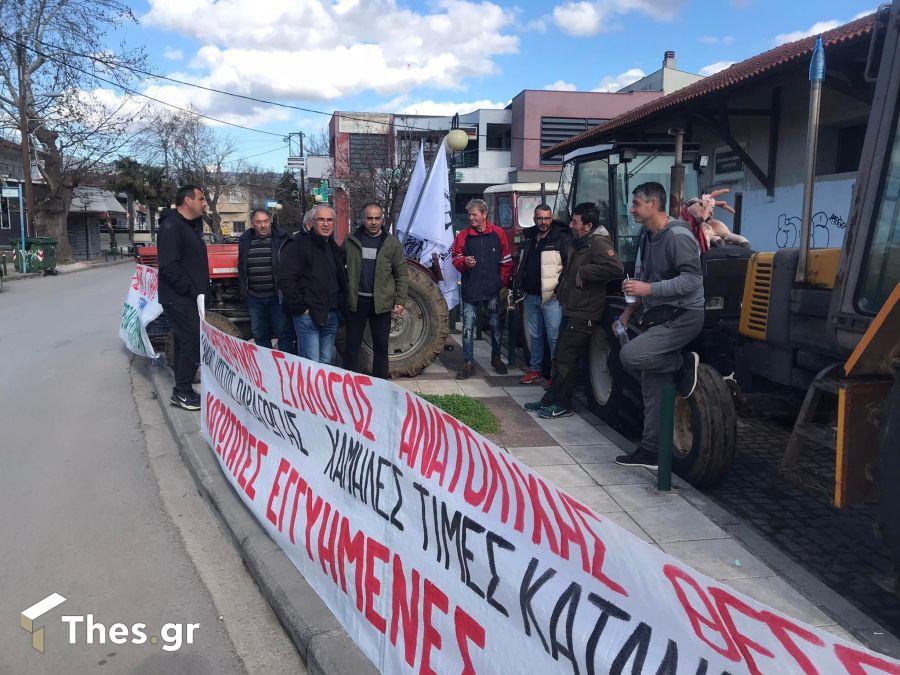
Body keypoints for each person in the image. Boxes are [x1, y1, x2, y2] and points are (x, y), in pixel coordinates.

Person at [615, 181, 703, 469]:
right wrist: (628, 313)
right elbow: (648, 279)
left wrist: (647, 290)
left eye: (636, 204)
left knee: (631, 355)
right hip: (660, 315)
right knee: (651, 383)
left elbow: (692, 281)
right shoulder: (648, 235)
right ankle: (652, 450)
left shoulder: (677, 236)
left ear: (653, 204)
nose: (632, 209)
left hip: (684, 316)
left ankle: (679, 363)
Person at [526, 202, 623, 418]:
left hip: (585, 311)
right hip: (571, 307)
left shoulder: (598, 243)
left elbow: (616, 267)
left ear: (587, 225)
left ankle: (563, 404)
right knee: (560, 356)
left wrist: (586, 271)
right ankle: (549, 400)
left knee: (566, 359)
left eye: (575, 221)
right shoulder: (581, 242)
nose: (571, 224)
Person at [158, 185, 210, 411]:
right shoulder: (172, 226)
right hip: (179, 298)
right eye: (201, 199)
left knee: (183, 342)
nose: (204, 203)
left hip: (189, 298)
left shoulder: (190, 226)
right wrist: (190, 290)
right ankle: (182, 391)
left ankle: (182, 390)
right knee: (191, 341)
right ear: (188, 201)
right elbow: (169, 265)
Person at [344, 202, 408, 379]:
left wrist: (400, 301)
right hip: (356, 302)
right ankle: (349, 381)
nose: (373, 222)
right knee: (351, 345)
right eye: (369, 218)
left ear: (382, 219)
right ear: (363, 219)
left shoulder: (392, 244)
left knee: (381, 347)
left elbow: (401, 274)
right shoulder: (351, 241)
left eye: (377, 218)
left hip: (381, 304)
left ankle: (380, 383)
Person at [277, 204, 346, 364]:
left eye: (330, 220)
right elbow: (285, 280)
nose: (326, 224)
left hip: (331, 314)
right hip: (308, 316)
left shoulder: (332, 246)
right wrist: (302, 309)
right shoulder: (297, 245)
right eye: (321, 220)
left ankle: (322, 391)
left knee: (326, 362)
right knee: (311, 364)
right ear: (312, 223)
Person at [452, 198, 513, 379]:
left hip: (492, 290)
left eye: (474, 214)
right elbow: (455, 258)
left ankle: (496, 358)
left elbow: (507, 260)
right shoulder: (463, 235)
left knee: (495, 325)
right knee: (468, 327)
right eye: (469, 214)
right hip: (471, 290)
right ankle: (469, 362)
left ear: (484, 214)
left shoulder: (498, 233)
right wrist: (464, 261)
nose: (471, 218)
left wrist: (499, 281)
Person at [513, 204, 571, 385]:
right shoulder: (530, 236)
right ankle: (535, 369)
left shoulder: (561, 237)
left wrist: (558, 289)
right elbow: (524, 262)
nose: (543, 222)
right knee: (535, 335)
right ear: (534, 219)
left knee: (554, 336)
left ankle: (555, 375)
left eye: (546, 218)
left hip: (551, 297)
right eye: (539, 218)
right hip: (531, 295)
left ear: (551, 218)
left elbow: (568, 267)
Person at [238, 208, 294, 353]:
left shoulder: (282, 239)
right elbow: (241, 265)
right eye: (259, 222)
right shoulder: (244, 241)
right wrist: (244, 290)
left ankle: (285, 366)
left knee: (283, 333)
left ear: (270, 221)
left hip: (277, 296)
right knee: (259, 334)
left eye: (266, 221)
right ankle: (268, 367)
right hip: (254, 297)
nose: (263, 225)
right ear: (252, 224)